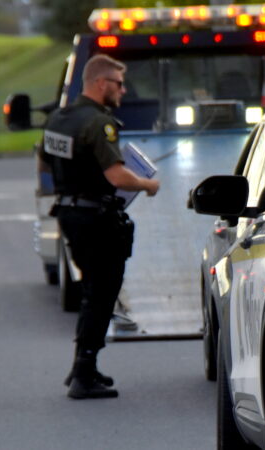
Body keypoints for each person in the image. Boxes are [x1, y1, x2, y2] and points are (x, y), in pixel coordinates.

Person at [42, 54, 160, 399]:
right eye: (119, 84)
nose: (124, 90)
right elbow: (116, 175)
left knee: (93, 291)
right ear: (100, 83)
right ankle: (83, 374)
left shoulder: (58, 119)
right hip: (95, 219)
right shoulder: (98, 123)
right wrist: (148, 185)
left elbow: (47, 162)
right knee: (102, 293)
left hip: (69, 214)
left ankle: (84, 366)